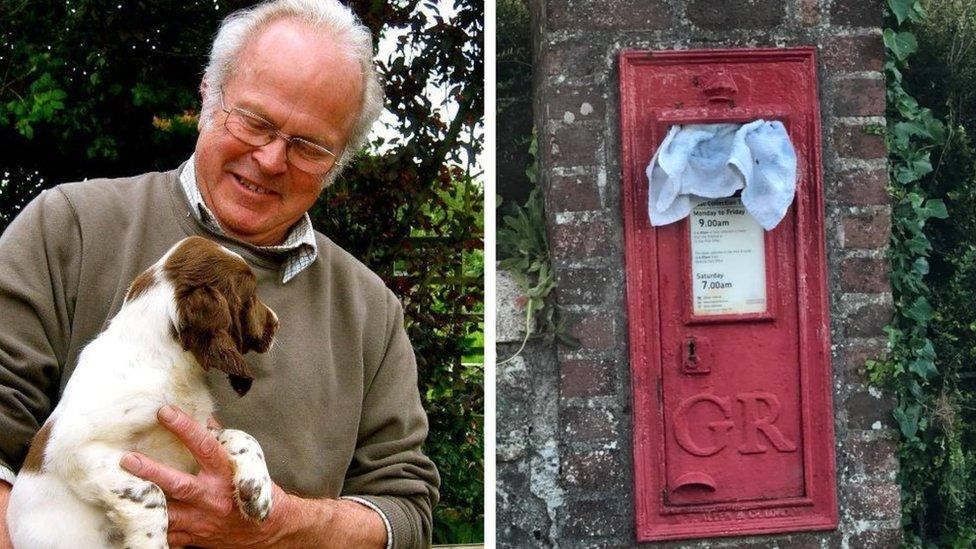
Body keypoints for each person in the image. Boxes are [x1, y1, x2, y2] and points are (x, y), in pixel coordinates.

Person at [0, 0, 440, 547]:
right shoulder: (66, 230)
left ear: (339, 160)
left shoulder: (370, 310)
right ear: (208, 92)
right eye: (256, 122)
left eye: (309, 146)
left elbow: (405, 510)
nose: (272, 159)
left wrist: (282, 526)